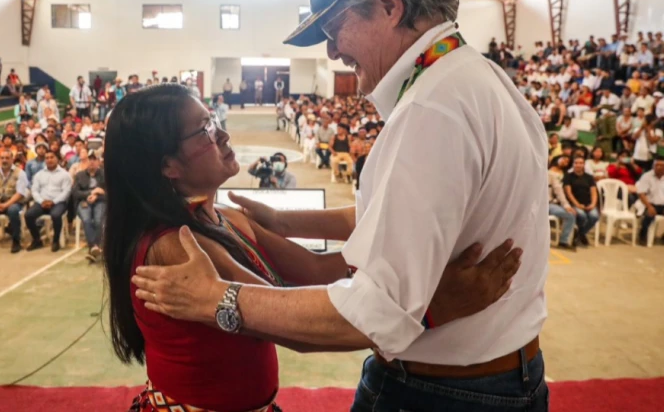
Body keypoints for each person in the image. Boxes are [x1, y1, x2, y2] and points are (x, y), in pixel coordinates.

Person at [132, 0, 550, 410]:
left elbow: (368, 314)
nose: (332, 52)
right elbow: (397, 223)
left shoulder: (431, 110)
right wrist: (288, 222)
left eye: (335, 28)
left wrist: (217, 300)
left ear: (389, 5)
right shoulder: (479, 80)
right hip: (500, 375)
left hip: (441, 390)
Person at [102, 85, 520, 412]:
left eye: (214, 121)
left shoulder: (227, 216)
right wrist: (431, 307)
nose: (224, 134)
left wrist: (418, 264)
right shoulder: (178, 245)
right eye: (205, 131)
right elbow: (285, 320)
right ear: (167, 166)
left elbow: (319, 271)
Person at [25, 150, 72, 252]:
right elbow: (34, 190)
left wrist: (53, 202)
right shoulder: (39, 175)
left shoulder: (64, 174)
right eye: (47, 158)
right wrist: (41, 201)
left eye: (52, 157)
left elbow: (66, 192)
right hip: (42, 202)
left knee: (55, 215)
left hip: (58, 202)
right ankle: (37, 240)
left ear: (57, 159)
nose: (49, 160)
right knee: (28, 215)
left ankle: (56, 241)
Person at [72, 151, 106, 260]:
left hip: (100, 201)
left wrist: (98, 195)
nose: (91, 162)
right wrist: (91, 193)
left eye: (94, 159)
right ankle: (95, 246)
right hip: (84, 201)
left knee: (98, 219)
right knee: (86, 219)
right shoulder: (79, 175)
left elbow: (111, 193)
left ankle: (93, 247)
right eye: (89, 159)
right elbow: (75, 193)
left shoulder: (105, 174)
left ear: (98, 161)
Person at [564, 156, 598, 246]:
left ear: (584, 165)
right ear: (573, 164)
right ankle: (582, 235)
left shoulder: (589, 177)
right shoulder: (568, 176)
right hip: (575, 203)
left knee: (594, 216)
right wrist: (577, 204)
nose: (578, 165)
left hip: (588, 203)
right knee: (582, 216)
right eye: (576, 163)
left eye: (580, 163)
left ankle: (579, 234)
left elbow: (594, 192)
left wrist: (593, 204)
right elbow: (568, 193)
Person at [548, 155, 576, 251]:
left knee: (570, 214)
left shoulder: (551, 175)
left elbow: (558, 190)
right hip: (532, 205)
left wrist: (566, 205)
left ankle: (563, 241)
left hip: (548, 204)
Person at [636, 156, 664, 244]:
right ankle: (642, 234)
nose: (658, 167)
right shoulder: (647, 176)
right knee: (649, 214)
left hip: (662, 204)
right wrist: (649, 206)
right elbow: (641, 194)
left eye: (661, 165)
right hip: (648, 203)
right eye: (656, 165)